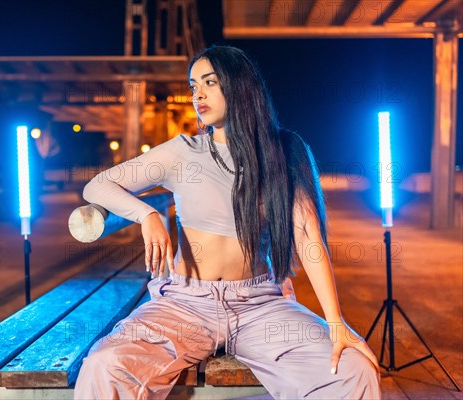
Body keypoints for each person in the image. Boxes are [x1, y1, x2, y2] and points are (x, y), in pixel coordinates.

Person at [74, 46, 380, 399]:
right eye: (193, 86)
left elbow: (309, 238)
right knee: (105, 364)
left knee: (352, 370)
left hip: (259, 304)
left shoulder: (283, 152)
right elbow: (97, 185)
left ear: (239, 86)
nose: (197, 95)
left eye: (209, 82)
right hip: (185, 305)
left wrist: (335, 323)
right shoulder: (182, 152)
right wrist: (147, 214)